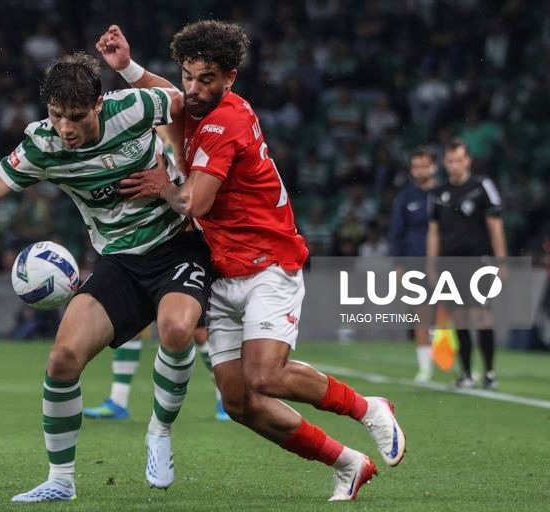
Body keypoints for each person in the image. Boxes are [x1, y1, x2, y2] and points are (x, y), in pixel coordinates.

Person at [97, 22, 406, 502]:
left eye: (206, 79)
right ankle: (347, 463)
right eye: (188, 76)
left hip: (268, 263)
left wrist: (162, 186)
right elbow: (170, 96)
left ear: (230, 78)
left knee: (265, 375)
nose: (193, 88)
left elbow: (195, 202)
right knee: (239, 401)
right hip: (223, 269)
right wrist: (127, 67)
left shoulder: (227, 122)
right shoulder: (196, 106)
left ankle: (368, 408)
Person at [0, 52, 213, 502]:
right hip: (119, 260)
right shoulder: (42, 146)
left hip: (178, 244)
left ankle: (159, 432)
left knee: (177, 330)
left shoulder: (134, 107)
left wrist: (177, 168)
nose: (66, 128)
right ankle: (60, 481)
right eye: (57, 115)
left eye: (77, 117)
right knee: (62, 358)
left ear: (98, 104)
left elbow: (181, 104)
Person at [427, 139, 507, 390]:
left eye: (459, 160)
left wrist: (502, 262)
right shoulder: (438, 194)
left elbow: (495, 225)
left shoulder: (482, 186)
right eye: (450, 160)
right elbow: (434, 232)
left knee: (482, 316)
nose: (455, 165)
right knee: (459, 318)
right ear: (444, 163)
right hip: (450, 263)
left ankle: (490, 373)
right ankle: (466, 374)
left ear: (468, 161)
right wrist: (431, 265)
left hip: (479, 261)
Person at [83, 316, 230, 421]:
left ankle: (224, 398)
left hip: (173, 282)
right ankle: (118, 401)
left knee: (198, 331)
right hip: (141, 280)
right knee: (129, 326)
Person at [388, 146, 437, 382]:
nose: (419, 171)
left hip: (445, 262)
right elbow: (396, 233)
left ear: (433, 167)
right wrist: (398, 265)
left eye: (424, 166)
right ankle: (425, 369)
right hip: (415, 261)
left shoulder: (444, 194)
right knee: (421, 314)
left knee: (452, 316)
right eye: (415, 166)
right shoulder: (405, 197)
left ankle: (462, 368)